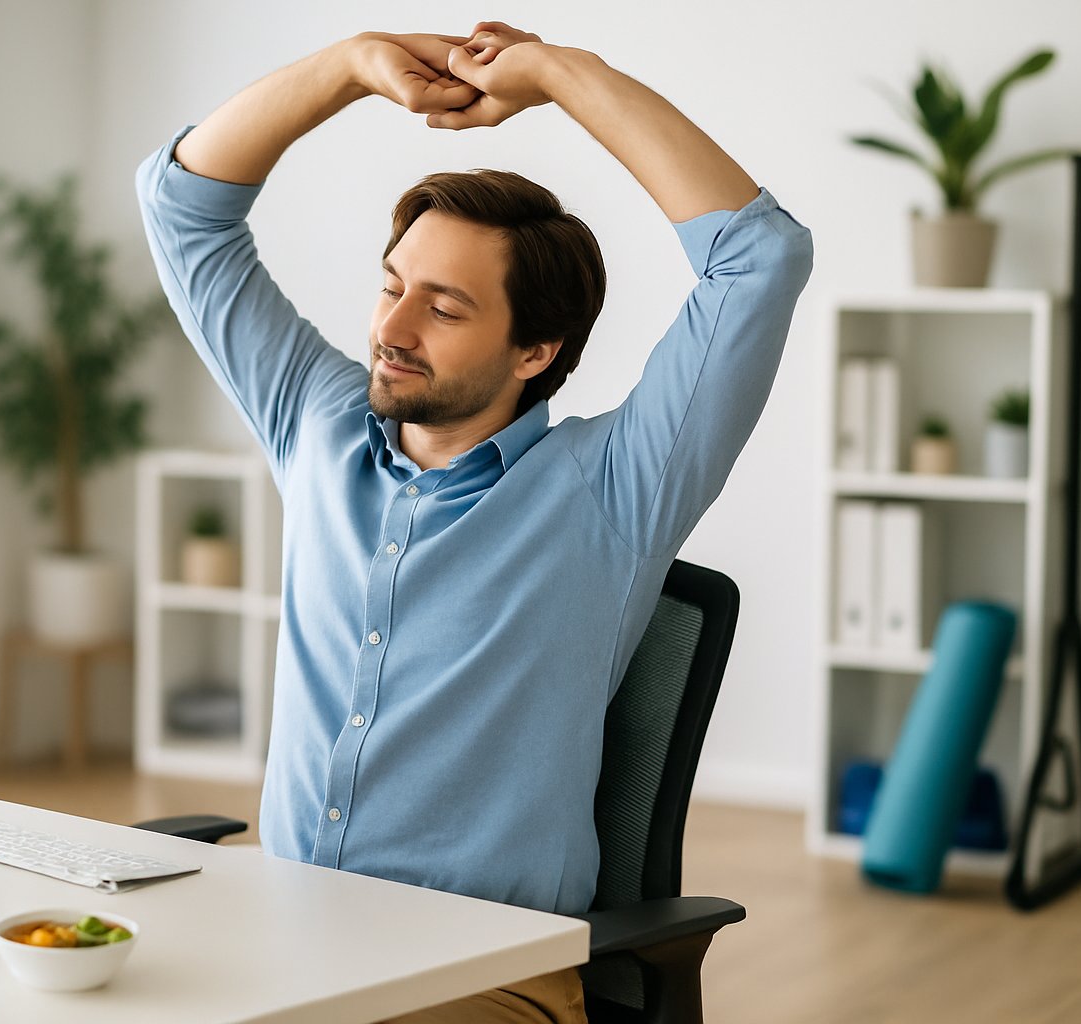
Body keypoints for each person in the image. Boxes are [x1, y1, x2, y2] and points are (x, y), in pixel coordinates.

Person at [136, 22, 812, 1023]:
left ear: (536, 349)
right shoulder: (319, 427)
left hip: (479, 978)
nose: (391, 330)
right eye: (391, 285)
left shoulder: (614, 487)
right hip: (282, 949)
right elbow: (181, 205)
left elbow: (760, 256)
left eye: (444, 310)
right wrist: (349, 66)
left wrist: (556, 77)